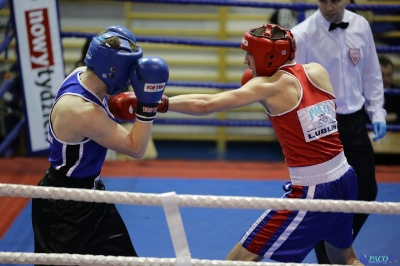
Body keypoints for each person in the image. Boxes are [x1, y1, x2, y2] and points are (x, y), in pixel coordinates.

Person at [115, 23, 362, 264]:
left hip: (312, 190)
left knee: (237, 260)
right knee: (345, 259)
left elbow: (206, 104)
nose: (246, 61)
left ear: (268, 57)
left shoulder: (269, 86)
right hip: (346, 177)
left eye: (249, 55)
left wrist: (158, 103)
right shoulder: (317, 70)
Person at [31, 25, 169, 261]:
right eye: (129, 69)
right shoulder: (82, 111)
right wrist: (147, 105)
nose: (131, 75)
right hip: (63, 206)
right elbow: (136, 148)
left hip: (93, 194)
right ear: (113, 69)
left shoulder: (82, 74)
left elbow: (106, 104)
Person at [290, 0, 387, 263]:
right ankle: (329, 258)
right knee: (327, 196)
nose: (329, 6)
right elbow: (295, 86)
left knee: (367, 191)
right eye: (323, 0)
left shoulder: (361, 25)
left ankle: (336, 246)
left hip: (355, 119)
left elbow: (371, 73)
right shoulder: (303, 33)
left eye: (334, 0)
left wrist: (377, 111)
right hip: (322, 122)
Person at [379, 55, 400, 124]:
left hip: (394, 132)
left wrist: (377, 118)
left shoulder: (397, 92)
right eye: (382, 75)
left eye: (388, 75)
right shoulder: (368, 92)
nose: (385, 79)